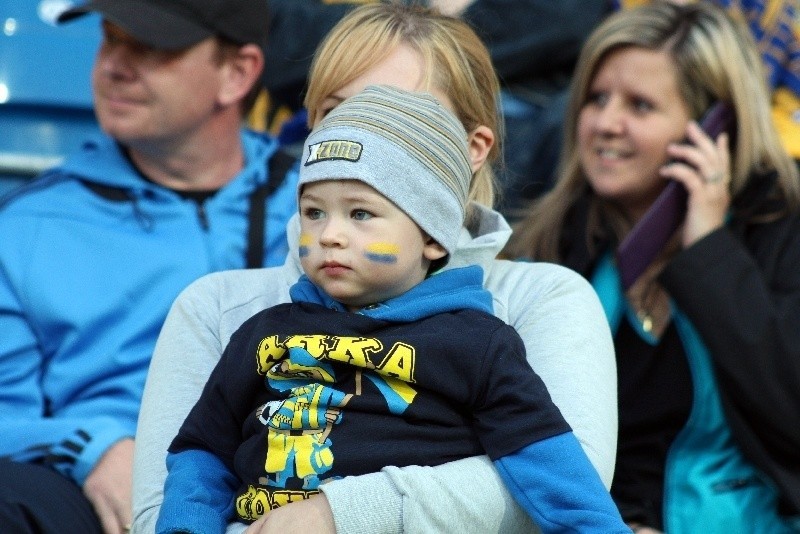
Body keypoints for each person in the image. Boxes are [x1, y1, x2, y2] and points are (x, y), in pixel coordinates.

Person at [132, 3, 619, 534]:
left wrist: (339, 514)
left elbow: (570, 492)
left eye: (401, 120)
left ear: (471, 149)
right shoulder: (223, 311)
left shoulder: (537, 304)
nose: (361, 142)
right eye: (336, 113)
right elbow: (172, 496)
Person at [0, 0, 297, 532]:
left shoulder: (319, 205)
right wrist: (90, 447)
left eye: (151, 44)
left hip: (293, 468)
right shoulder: (26, 224)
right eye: (110, 38)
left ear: (238, 73)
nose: (114, 64)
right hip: (96, 491)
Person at [504, 2, 800, 532]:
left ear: (715, 125)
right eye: (596, 98)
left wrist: (709, 252)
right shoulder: (559, 240)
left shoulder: (780, 228)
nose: (605, 124)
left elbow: (790, 414)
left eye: (640, 106)